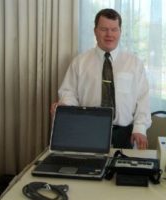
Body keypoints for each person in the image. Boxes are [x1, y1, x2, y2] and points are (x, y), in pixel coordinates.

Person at [52, 8, 151, 149]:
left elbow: (143, 99)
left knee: (122, 171)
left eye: (114, 29)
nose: (109, 34)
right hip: (87, 131)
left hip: (125, 134)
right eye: (104, 29)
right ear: (95, 31)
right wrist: (66, 107)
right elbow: (69, 92)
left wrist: (140, 128)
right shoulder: (80, 62)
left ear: (120, 31)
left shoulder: (134, 64)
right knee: (90, 170)